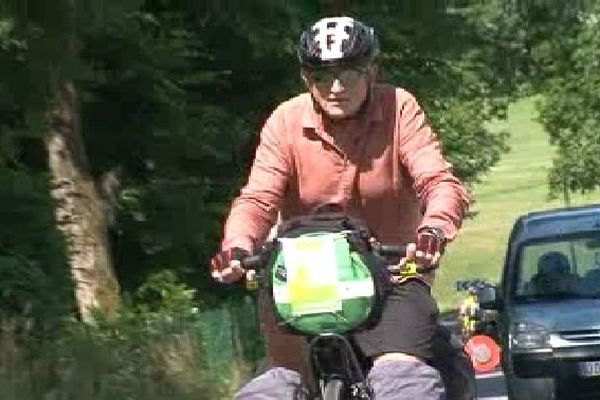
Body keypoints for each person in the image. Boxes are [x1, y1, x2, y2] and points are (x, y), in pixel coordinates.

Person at [210, 16, 471, 400]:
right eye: (320, 76)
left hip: (395, 275)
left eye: (348, 74)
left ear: (372, 71)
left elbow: (440, 182)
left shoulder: (400, 108)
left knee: (402, 380)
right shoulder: (286, 120)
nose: (335, 88)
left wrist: (433, 230)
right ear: (305, 78)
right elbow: (258, 198)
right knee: (277, 386)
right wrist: (238, 246)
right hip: (303, 284)